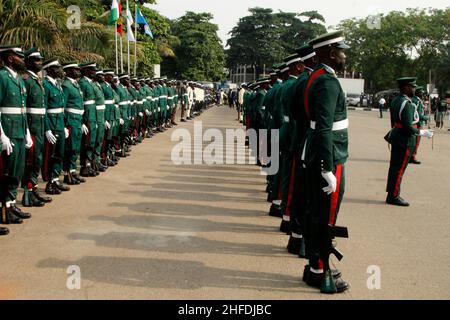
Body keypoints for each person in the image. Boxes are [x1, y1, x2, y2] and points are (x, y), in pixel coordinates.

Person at [301, 31, 351, 293]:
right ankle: (321, 272)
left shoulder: (317, 76)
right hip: (329, 155)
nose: (345, 56)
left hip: (321, 152)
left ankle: (314, 267)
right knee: (324, 216)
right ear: (332, 53)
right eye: (342, 51)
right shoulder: (328, 83)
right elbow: (323, 128)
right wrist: (327, 168)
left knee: (315, 213)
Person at [385, 77, 434, 207]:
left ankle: (391, 193)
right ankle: (393, 196)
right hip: (405, 140)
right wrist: (423, 133)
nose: (414, 89)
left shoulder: (396, 100)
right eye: (412, 86)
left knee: (394, 168)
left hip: (396, 136)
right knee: (399, 169)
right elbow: (408, 126)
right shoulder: (406, 103)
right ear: (406, 87)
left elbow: (393, 121)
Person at [0, 44, 33, 225]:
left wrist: (27, 130)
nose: (22, 59)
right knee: (8, 171)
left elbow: (22, 110)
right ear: (10, 58)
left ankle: (11, 204)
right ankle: (4, 208)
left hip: (20, 130)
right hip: (8, 131)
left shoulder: (19, 80)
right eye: (19, 56)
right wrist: (2, 135)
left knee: (17, 170)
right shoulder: (2, 77)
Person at [21, 48, 53, 206]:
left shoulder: (36, 81)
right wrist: (25, 129)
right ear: (27, 62)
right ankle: (27, 193)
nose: (39, 63)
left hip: (39, 125)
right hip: (31, 126)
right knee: (30, 160)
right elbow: (22, 108)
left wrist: (46, 128)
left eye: (40, 60)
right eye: (35, 60)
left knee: (37, 159)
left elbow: (42, 108)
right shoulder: (26, 80)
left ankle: (33, 189)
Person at [42, 58, 71, 195]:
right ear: (49, 70)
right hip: (52, 125)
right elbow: (44, 109)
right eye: (57, 67)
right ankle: (49, 183)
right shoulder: (46, 85)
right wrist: (47, 128)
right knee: (51, 155)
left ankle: (55, 179)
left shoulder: (58, 84)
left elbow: (62, 108)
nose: (60, 70)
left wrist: (64, 125)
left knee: (59, 154)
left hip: (59, 124)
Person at [61, 62, 87, 185]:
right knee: (70, 148)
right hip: (70, 120)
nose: (78, 71)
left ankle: (73, 171)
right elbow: (63, 107)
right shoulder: (66, 85)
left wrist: (81, 122)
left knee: (75, 148)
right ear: (68, 71)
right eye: (75, 69)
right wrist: (65, 125)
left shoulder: (75, 85)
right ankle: (67, 174)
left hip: (77, 120)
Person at [410, 86, 428, 164]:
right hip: (417, 123)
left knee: (414, 141)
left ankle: (411, 156)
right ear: (418, 93)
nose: (423, 95)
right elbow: (417, 114)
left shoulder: (416, 100)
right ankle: (412, 156)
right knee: (416, 141)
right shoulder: (416, 101)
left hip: (416, 123)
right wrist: (425, 118)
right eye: (421, 93)